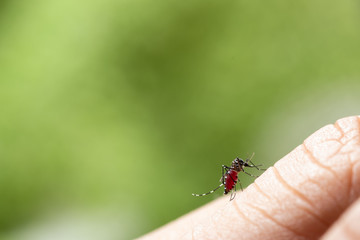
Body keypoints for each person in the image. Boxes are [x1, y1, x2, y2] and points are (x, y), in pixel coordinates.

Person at [138, 115, 360, 240]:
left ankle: (229, 188)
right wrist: (233, 182)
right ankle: (227, 187)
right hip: (229, 181)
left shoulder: (238, 166)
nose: (243, 166)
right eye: (243, 165)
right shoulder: (234, 171)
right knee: (231, 172)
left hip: (231, 182)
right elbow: (235, 169)